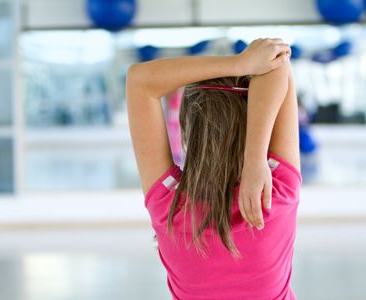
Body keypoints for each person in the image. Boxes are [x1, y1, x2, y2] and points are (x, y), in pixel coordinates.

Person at [126, 38, 301, 300]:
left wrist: (238, 64)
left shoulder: (169, 206)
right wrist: (255, 160)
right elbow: (279, 63)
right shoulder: (276, 194)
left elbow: (139, 81)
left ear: (189, 129)